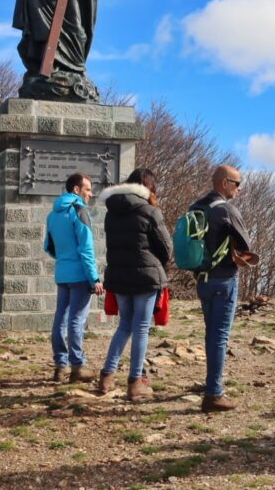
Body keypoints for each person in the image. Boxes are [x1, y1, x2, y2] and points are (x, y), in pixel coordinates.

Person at [97, 169, 172, 400]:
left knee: (125, 325)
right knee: (141, 327)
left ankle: (107, 376)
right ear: (148, 187)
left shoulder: (112, 211)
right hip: (145, 277)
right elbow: (166, 248)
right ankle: (135, 382)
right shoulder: (149, 211)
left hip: (119, 277)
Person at [189, 164, 253, 412]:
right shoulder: (225, 209)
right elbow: (246, 243)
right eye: (237, 183)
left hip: (202, 278)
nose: (239, 188)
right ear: (224, 183)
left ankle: (210, 383)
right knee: (219, 336)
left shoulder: (196, 207)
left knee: (211, 333)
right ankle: (214, 392)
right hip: (224, 279)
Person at [44, 172, 102, 383]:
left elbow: (48, 247)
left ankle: (61, 365)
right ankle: (78, 366)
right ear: (76, 190)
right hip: (80, 275)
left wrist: (64, 259)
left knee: (61, 317)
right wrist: (94, 279)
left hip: (62, 273)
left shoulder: (52, 215)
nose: (90, 193)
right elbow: (86, 250)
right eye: (87, 189)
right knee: (77, 320)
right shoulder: (80, 211)